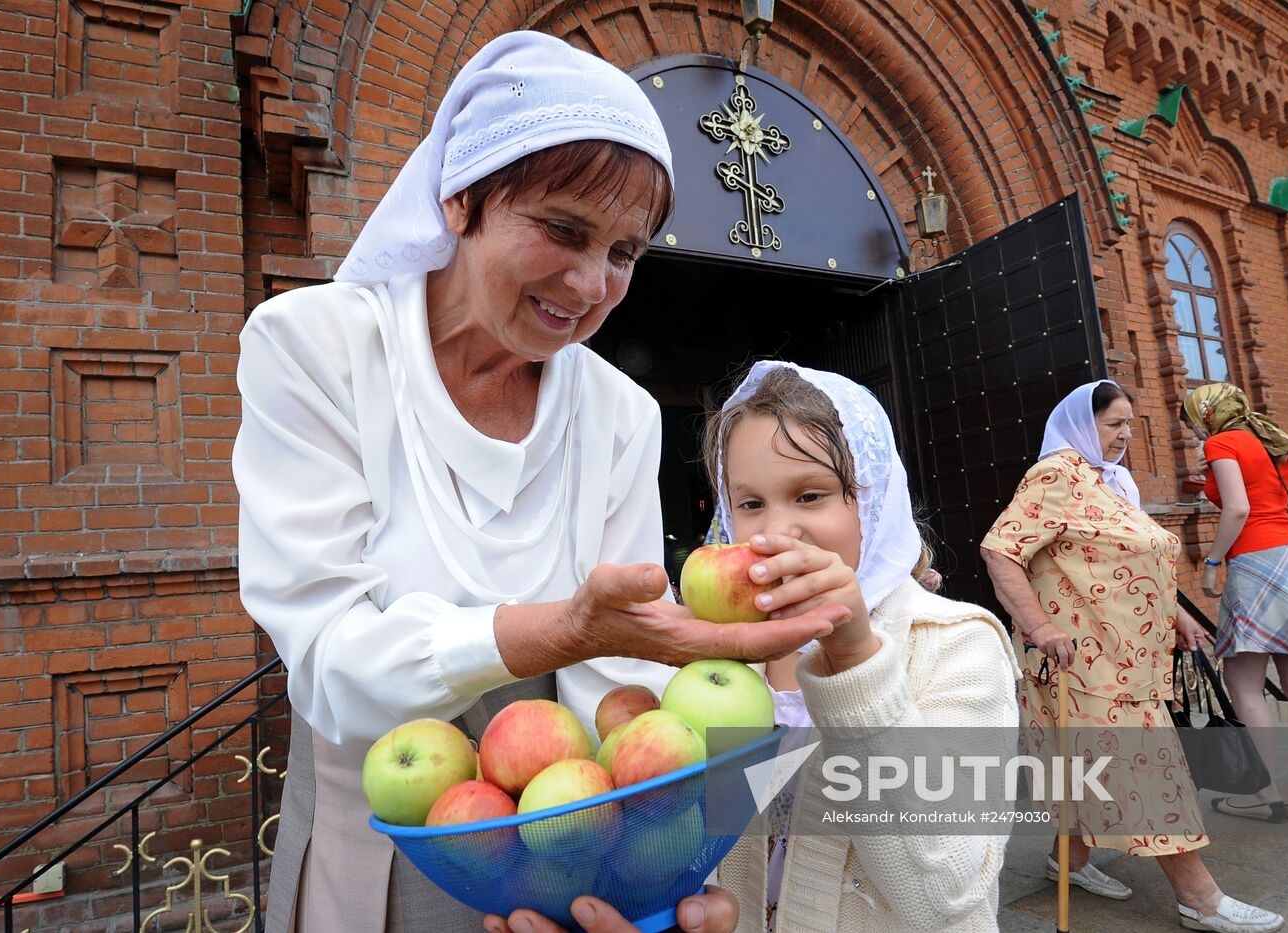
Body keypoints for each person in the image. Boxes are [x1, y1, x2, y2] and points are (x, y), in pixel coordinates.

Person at [234, 32, 841, 933]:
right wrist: (558, 629)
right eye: (562, 229)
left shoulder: (621, 414)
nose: (591, 284)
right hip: (383, 842)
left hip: (568, 832)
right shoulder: (314, 348)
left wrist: (635, 876)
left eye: (625, 252)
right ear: (460, 197)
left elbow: (614, 687)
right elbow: (331, 664)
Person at [707, 362, 1019, 932]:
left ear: (875, 500)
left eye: (809, 495)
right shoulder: (728, 657)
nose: (775, 532)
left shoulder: (959, 645)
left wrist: (854, 659)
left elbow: (945, 894)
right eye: (749, 504)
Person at [981, 380, 1285, 933]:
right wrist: (1039, 626)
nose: (1125, 435)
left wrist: (1178, 615)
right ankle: (1199, 897)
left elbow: (1137, 558)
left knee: (1086, 767)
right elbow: (1000, 550)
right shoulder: (1056, 475)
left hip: (1130, 658)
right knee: (1145, 773)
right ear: (1083, 423)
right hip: (1084, 662)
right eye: (1114, 424)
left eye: (1128, 424)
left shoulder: (1107, 481)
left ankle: (1069, 861)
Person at [1181, 383, 1288, 824]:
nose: (1194, 429)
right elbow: (1262, 497)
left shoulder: (1221, 442)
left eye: (1194, 420)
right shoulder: (1272, 440)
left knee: (1243, 682)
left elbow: (1238, 508)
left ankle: (1264, 792)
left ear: (1209, 413)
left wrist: (1212, 562)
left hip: (1255, 561)